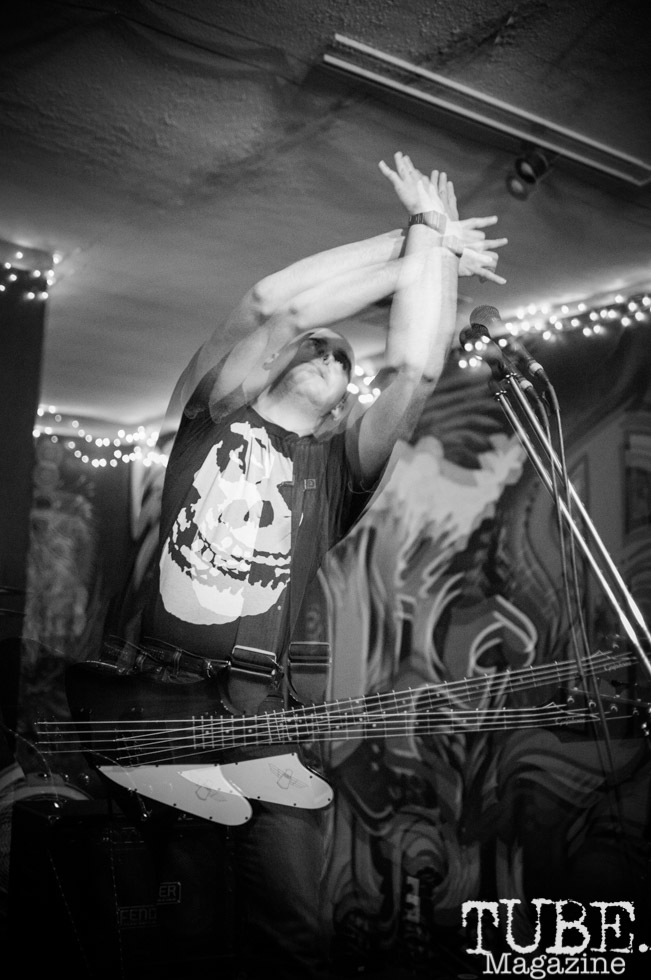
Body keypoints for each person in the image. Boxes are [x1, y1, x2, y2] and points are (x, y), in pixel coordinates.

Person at [104, 151, 507, 979]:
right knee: (176, 935)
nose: (334, 357)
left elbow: (417, 368)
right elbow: (272, 304)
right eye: (319, 347)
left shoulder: (335, 467)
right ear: (273, 364)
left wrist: (430, 243)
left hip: (271, 721)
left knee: (292, 935)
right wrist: (417, 238)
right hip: (165, 708)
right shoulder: (213, 417)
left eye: (344, 361)